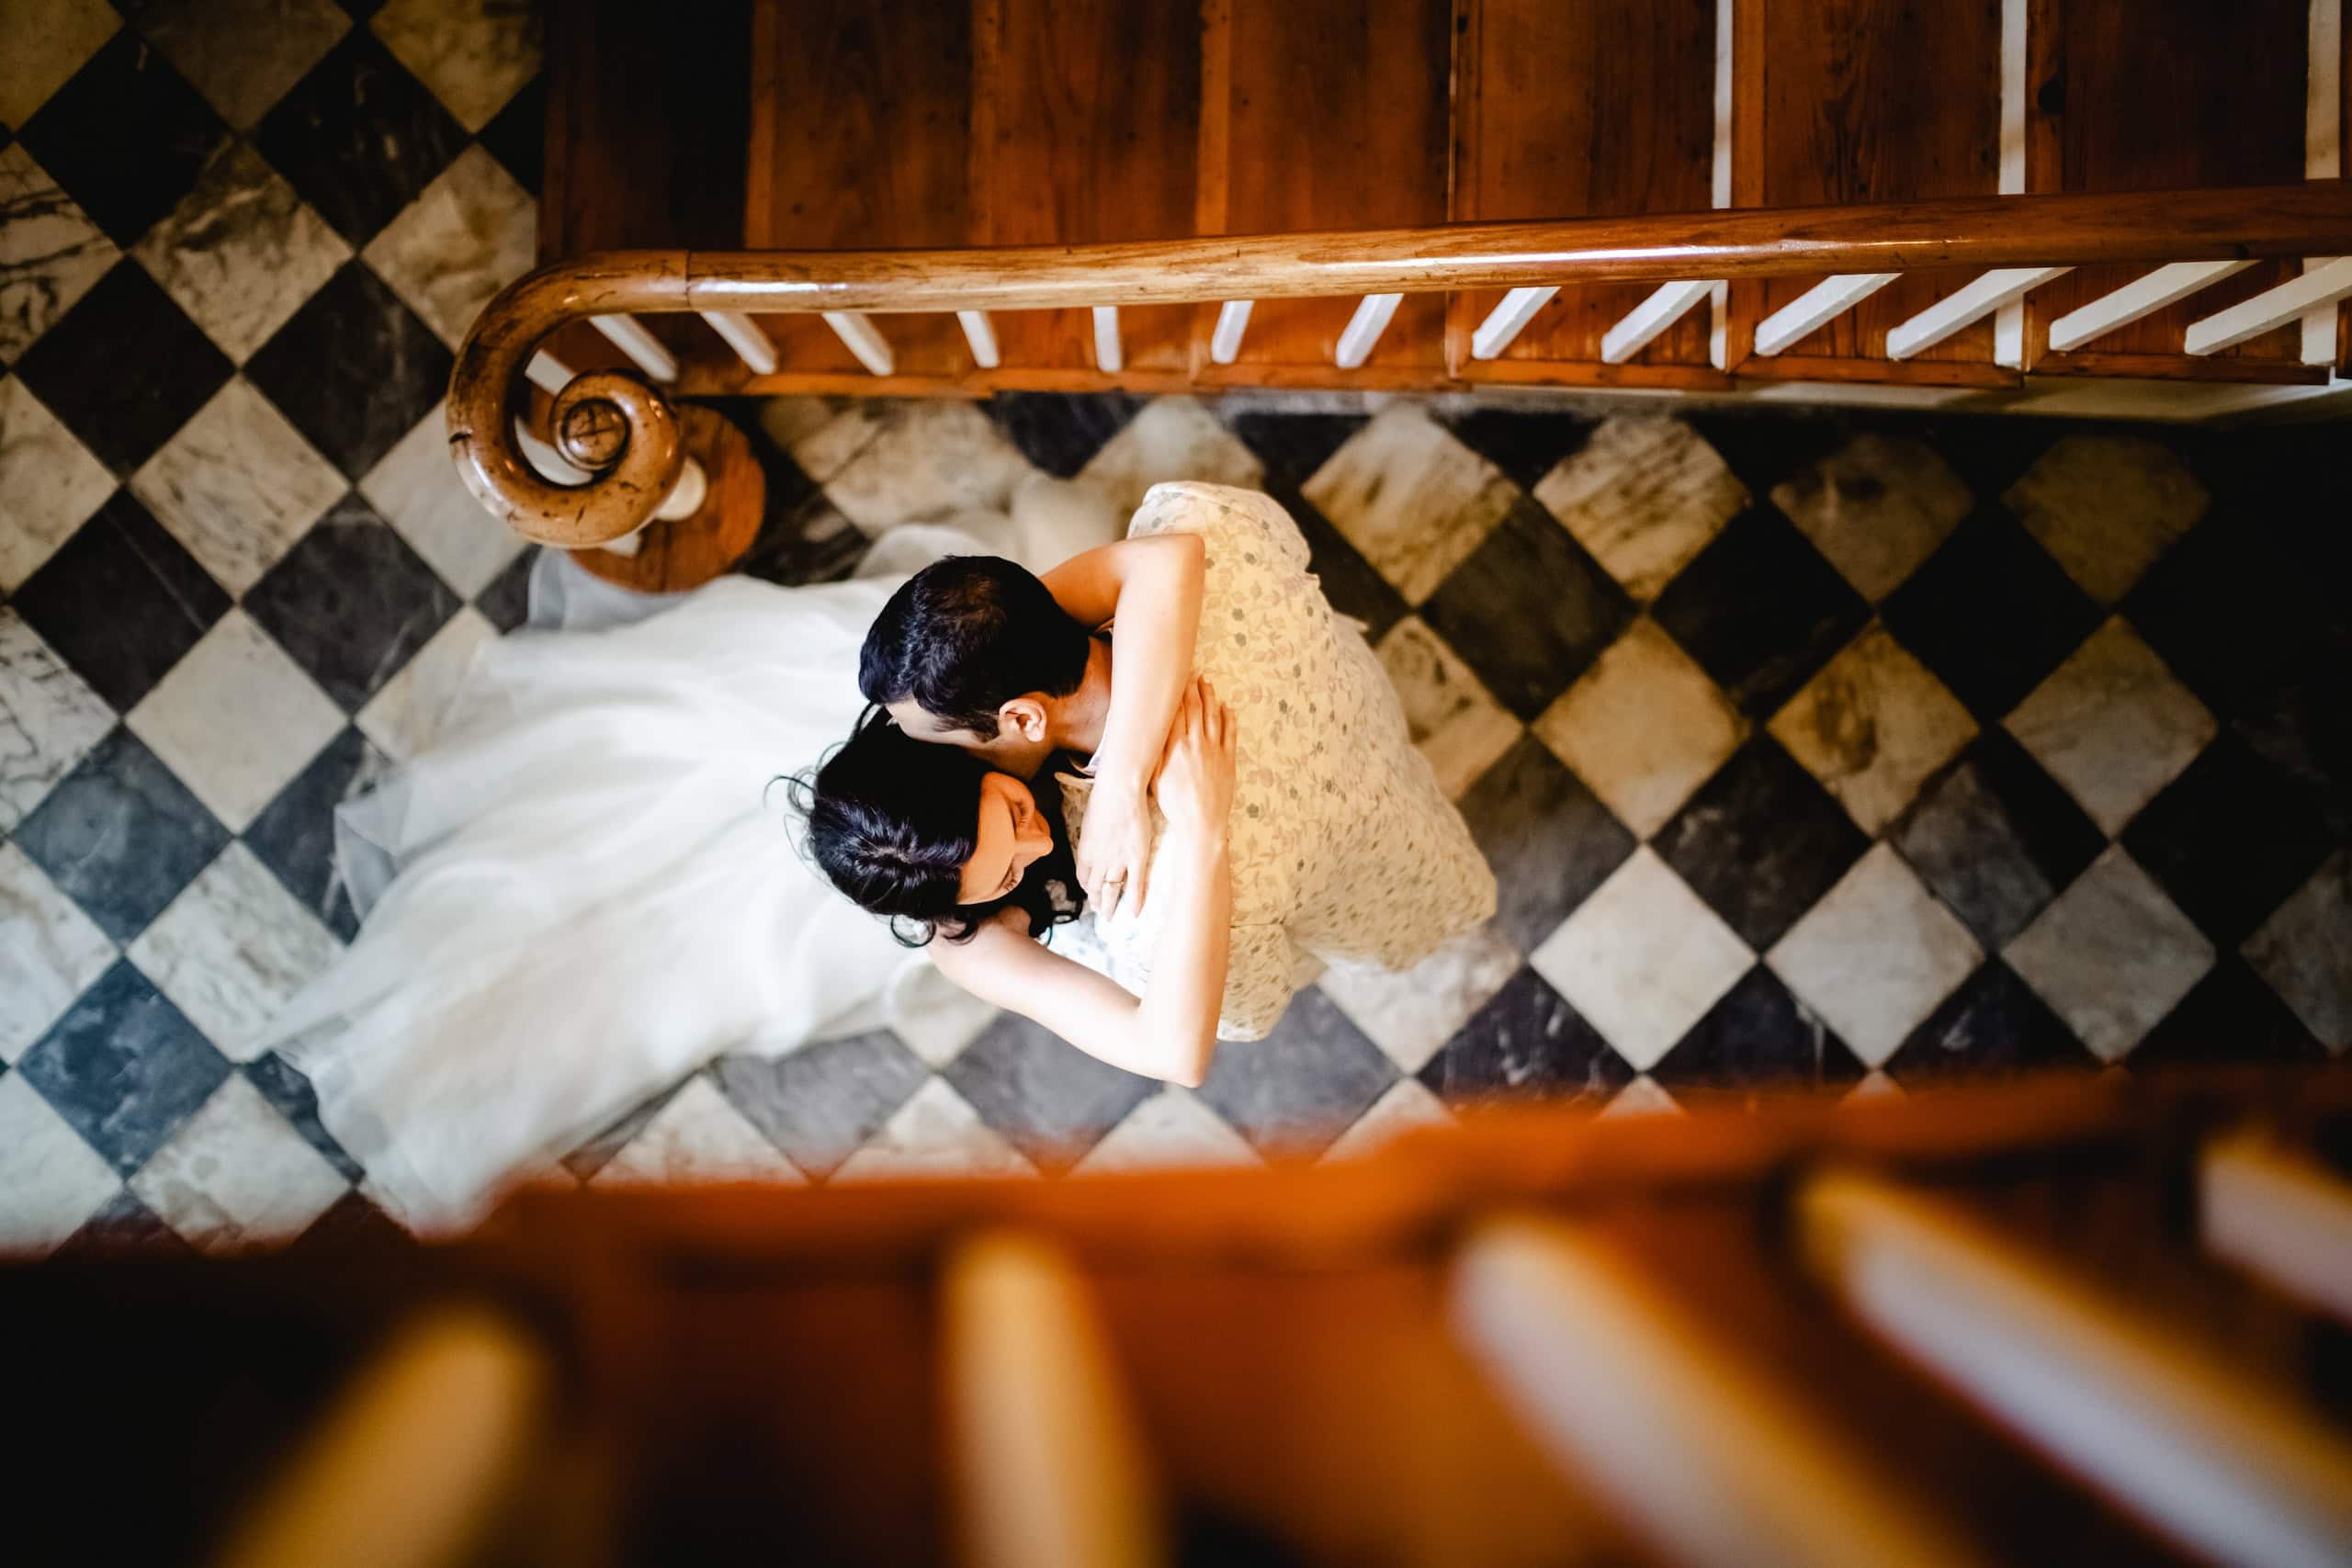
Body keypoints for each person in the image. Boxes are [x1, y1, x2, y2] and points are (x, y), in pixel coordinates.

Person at [254, 482, 1198, 1232]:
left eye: (1011, 813)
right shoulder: (966, 908)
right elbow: (1152, 1036)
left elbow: (1130, 590)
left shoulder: (982, 717)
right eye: (1006, 855)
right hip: (921, 843)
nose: (1034, 837)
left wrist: (1118, 784)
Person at [820, 480, 1497, 1060]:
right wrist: (1181, 819)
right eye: (1003, 876)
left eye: (1018, 814)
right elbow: (1135, 574)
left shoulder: (1151, 911)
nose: (1040, 843)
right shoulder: (1207, 520)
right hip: (1357, 713)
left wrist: (1142, 798)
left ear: (1021, 717)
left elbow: (1244, 1013)